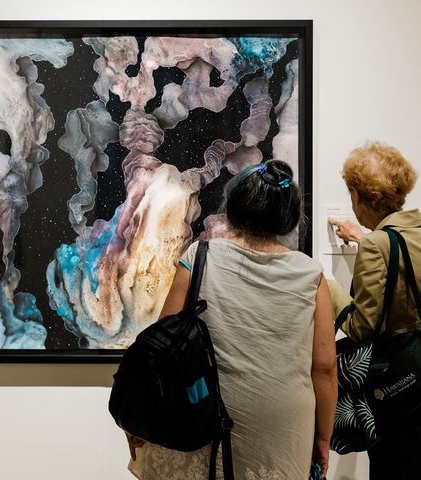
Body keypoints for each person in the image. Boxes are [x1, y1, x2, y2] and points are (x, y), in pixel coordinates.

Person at [126, 160, 337, 480]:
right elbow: (324, 368)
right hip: (280, 428)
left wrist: (139, 417)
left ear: (234, 208)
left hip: (201, 414)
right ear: (290, 216)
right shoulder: (311, 275)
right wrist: (323, 438)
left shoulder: (200, 255)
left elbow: (159, 346)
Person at [328, 141, 421, 480]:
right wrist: (367, 238)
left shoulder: (376, 246)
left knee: (391, 466)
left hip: (397, 378)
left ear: (358, 196)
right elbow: (406, 262)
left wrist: (328, 285)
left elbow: (361, 327)